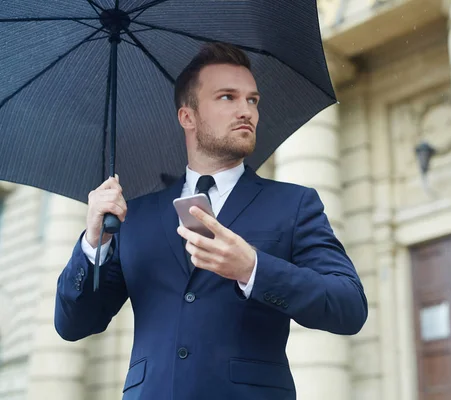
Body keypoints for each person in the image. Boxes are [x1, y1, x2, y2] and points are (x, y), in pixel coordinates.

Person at [54, 42, 368, 400]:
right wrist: (95, 242)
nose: (245, 111)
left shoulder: (294, 204)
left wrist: (253, 268)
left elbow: (348, 306)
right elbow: (73, 324)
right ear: (187, 116)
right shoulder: (135, 215)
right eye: (227, 97)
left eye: (252, 100)